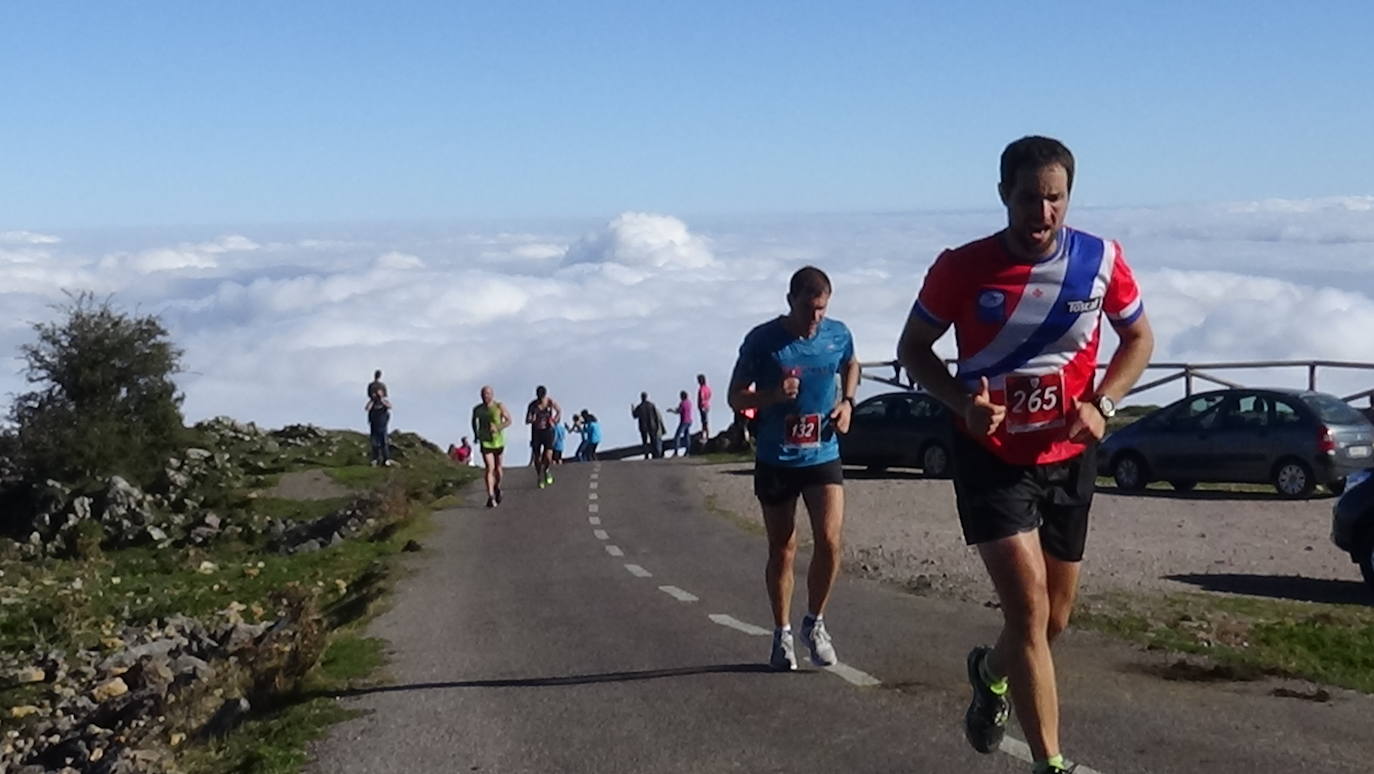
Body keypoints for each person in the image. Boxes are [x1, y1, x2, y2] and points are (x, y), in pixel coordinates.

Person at [897, 136, 1154, 774]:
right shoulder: (961, 267)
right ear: (1003, 194)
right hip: (991, 456)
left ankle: (989, 671)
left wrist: (1107, 404)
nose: (1044, 213)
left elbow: (1140, 337)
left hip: (1069, 453)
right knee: (1030, 611)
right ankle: (1051, 762)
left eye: (1055, 198)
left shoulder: (1100, 258)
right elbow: (914, 349)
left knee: (1056, 619)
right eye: (1030, 198)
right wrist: (962, 404)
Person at [728, 265, 859, 672]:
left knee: (830, 540)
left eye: (821, 308)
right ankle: (781, 632)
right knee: (783, 548)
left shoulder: (837, 334)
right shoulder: (763, 341)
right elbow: (735, 397)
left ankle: (814, 623)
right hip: (776, 457)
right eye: (808, 308)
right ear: (790, 301)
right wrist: (771, 395)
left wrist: (848, 403)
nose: (815, 317)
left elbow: (852, 363)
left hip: (822, 453)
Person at [472, 386, 513, 508]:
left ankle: (497, 487)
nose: (486, 396)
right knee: (490, 468)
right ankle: (490, 496)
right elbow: (474, 421)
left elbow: (509, 420)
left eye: (488, 394)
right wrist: (476, 435)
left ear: (492, 395)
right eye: (484, 394)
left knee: (498, 469)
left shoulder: (499, 406)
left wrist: (498, 427)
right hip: (485, 442)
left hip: (498, 442)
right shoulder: (477, 409)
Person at [526, 385, 562, 488]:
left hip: (548, 431)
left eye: (542, 396)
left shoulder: (550, 402)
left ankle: (546, 470)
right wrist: (531, 419)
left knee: (548, 456)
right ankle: (539, 476)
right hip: (536, 432)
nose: (540, 399)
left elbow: (559, 411)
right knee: (537, 457)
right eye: (539, 396)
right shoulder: (532, 405)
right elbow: (527, 419)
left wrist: (554, 420)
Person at [631, 392, 666, 459]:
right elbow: (655, 416)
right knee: (653, 441)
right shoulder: (651, 405)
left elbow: (635, 416)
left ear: (641, 398)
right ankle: (654, 454)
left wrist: (632, 409)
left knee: (645, 442)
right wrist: (657, 425)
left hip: (643, 427)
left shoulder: (640, 406)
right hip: (652, 426)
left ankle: (646, 455)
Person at [365, 388, 393, 467]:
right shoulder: (372, 404)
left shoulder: (384, 403)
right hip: (374, 426)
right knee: (374, 444)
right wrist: (372, 400)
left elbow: (390, 406)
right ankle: (375, 459)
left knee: (384, 443)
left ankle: (386, 459)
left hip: (383, 426)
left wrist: (382, 399)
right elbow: (367, 408)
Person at [668, 390, 694, 457]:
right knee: (687, 436)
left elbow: (678, 411)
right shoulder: (689, 402)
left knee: (677, 436)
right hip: (689, 421)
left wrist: (671, 410)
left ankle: (676, 451)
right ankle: (688, 450)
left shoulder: (682, 403)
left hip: (684, 421)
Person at [697, 374, 713, 440]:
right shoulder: (707, 388)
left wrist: (702, 403)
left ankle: (705, 435)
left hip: (703, 406)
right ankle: (706, 434)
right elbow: (710, 395)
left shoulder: (701, 389)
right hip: (707, 405)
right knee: (705, 420)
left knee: (704, 421)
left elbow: (701, 397)